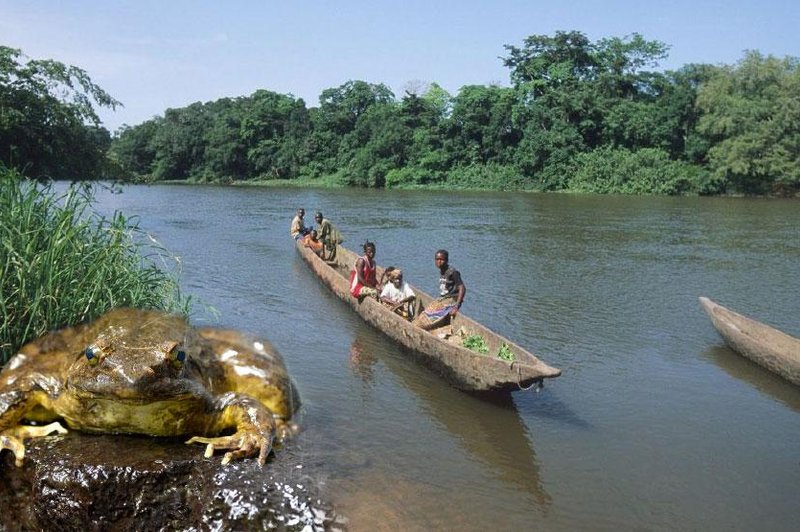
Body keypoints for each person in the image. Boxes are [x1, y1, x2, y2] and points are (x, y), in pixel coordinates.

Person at [413, 249, 466, 329]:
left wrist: (456, 306)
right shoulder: (442, 270)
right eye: (437, 259)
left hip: (451, 299)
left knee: (430, 316)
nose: (439, 262)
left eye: (441, 259)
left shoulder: (453, 272)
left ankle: (422, 327)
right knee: (427, 312)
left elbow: (462, 288)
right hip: (443, 298)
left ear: (446, 260)